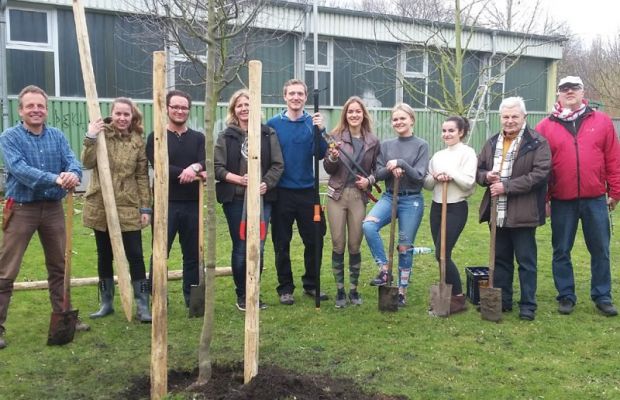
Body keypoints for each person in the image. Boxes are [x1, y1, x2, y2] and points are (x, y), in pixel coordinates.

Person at [0, 85, 90, 350]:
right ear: (21, 110)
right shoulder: (10, 136)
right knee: (7, 269)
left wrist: (73, 174)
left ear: (46, 110)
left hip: (52, 209)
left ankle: (64, 317)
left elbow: (72, 161)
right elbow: (20, 170)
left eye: (40, 106)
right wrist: (56, 178)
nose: (36, 110)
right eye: (30, 106)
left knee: (59, 266)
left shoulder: (57, 136)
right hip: (22, 209)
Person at [536, 76, 620, 317]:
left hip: (595, 198)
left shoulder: (602, 121)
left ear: (583, 92)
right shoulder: (545, 126)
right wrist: (545, 199)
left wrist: (615, 191)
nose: (569, 92)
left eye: (574, 88)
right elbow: (542, 167)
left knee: (601, 249)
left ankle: (602, 296)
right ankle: (566, 296)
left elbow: (613, 158)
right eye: (564, 89)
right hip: (562, 199)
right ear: (558, 94)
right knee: (561, 250)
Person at [476, 97, 551, 321]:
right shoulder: (491, 143)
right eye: (506, 117)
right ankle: (504, 301)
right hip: (496, 212)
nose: (510, 121)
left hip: (524, 212)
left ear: (524, 117)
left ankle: (528, 305)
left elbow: (540, 174)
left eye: (514, 116)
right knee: (500, 259)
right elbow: (478, 170)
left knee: (526, 262)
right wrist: (486, 176)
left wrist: (507, 186)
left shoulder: (538, 143)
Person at [82, 97, 152, 323]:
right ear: (112, 114)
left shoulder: (137, 141)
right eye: (118, 114)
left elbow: (141, 176)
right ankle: (107, 302)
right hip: (101, 204)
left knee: (135, 255)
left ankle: (142, 304)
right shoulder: (101, 135)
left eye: (126, 114)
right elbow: (86, 162)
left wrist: (145, 207)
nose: (122, 118)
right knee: (104, 255)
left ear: (132, 117)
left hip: (128, 204)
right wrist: (91, 136)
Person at [215, 89, 284, 311]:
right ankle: (242, 295)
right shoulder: (226, 136)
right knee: (242, 245)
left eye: (248, 104)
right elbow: (217, 168)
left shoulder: (267, 134)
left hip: (262, 199)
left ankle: (254, 291)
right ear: (234, 110)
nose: (244, 108)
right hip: (235, 200)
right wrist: (239, 180)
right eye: (240, 105)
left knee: (259, 246)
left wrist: (265, 183)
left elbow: (277, 164)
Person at [267, 79, 329, 305]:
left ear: (305, 97)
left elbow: (321, 154)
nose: (296, 97)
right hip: (281, 192)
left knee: (315, 239)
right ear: (285, 96)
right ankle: (285, 287)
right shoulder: (273, 124)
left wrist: (321, 131)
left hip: (307, 191)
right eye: (291, 93)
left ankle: (311, 284)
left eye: (300, 94)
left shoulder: (311, 123)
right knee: (281, 241)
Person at [362, 103, 428, 308]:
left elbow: (419, 176)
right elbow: (379, 172)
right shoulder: (387, 145)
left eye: (403, 118)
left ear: (412, 120)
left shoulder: (421, 145)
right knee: (368, 225)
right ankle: (384, 268)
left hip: (411, 199)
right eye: (395, 119)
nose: (399, 122)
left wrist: (401, 163)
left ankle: (401, 290)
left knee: (404, 246)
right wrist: (391, 169)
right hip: (390, 197)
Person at [146, 90, 206, 308]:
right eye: (175, 107)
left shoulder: (198, 138)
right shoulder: (157, 137)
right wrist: (189, 173)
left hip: (193, 204)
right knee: (160, 253)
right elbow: (159, 165)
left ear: (189, 110)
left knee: (192, 254)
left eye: (184, 107)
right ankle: (157, 298)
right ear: (167, 108)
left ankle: (191, 299)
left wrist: (196, 167)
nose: (180, 111)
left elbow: (205, 161)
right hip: (165, 204)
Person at [323, 96, 380, 308]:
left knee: (355, 244)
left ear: (363, 114)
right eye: (350, 112)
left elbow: (376, 169)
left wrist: (370, 180)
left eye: (358, 111)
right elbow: (328, 169)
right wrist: (333, 157)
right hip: (337, 195)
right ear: (345, 115)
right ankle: (340, 290)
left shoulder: (372, 141)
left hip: (358, 196)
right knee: (338, 242)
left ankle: (354, 290)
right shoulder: (334, 137)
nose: (354, 115)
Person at [423, 116, 477, 315]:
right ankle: (447, 296)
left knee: (442, 253)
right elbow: (427, 184)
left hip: (455, 208)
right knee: (441, 255)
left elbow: (469, 183)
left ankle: (458, 298)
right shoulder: (437, 156)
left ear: (461, 132)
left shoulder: (467, 153)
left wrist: (451, 173)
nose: (446, 134)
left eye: (451, 131)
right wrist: (436, 177)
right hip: (437, 206)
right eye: (444, 131)